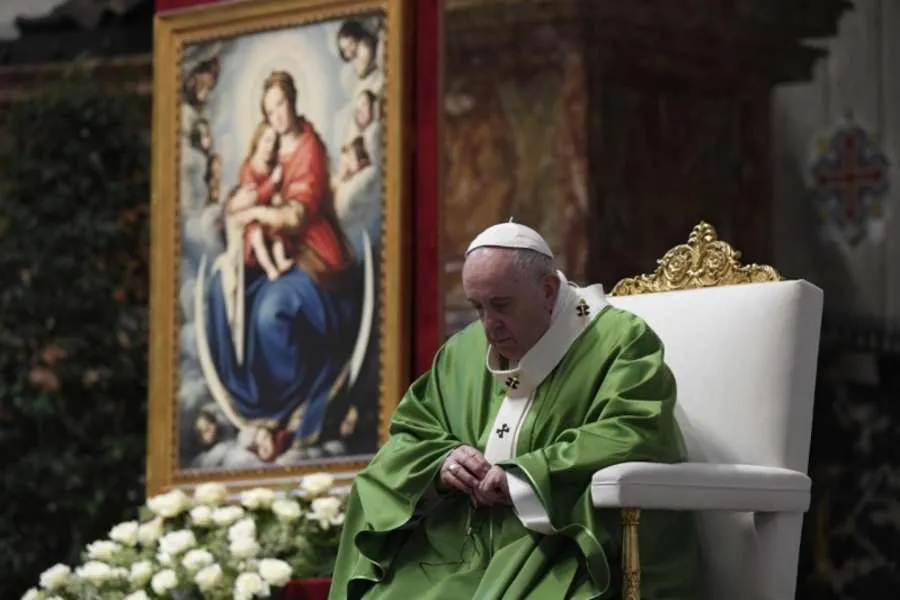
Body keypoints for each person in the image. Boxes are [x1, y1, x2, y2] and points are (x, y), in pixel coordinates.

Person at [329, 222, 704, 599]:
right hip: (464, 543)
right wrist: (442, 464)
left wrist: (524, 477)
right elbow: (410, 436)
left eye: (502, 305)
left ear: (548, 290)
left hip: (560, 543)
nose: (489, 327)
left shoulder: (620, 341)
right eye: (477, 308)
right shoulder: (461, 352)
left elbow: (637, 431)